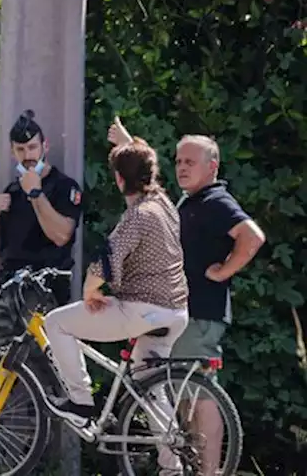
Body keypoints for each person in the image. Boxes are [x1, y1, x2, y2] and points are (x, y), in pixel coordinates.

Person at [109, 117, 266, 474]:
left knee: (201, 396)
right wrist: (127, 143)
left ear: (212, 167)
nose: (181, 167)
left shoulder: (215, 200)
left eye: (189, 162)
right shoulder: (189, 201)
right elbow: (150, 188)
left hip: (200, 313)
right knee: (182, 395)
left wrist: (224, 270)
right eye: (178, 161)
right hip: (180, 312)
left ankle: (209, 473)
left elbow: (252, 236)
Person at [43, 137, 189, 448]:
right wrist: (129, 144)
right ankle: (172, 466)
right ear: (150, 175)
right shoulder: (164, 206)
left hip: (142, 311)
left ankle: (81, 406)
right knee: (148, 385)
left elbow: (108, 258)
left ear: (119, 179)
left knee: (56, 323)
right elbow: (145, 168)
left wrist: (89, 290)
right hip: (176, 312)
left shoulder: (137, 215)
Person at [0, 110, 83, 370]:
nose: (28, 156)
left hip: (43, 291)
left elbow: (62, 236)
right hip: (9, 289)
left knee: (42, 370)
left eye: (32, 147)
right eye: (21, 149)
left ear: (44, 146)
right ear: (12, 151)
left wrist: (36, 193)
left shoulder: (63, 187)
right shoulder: (11, 191)